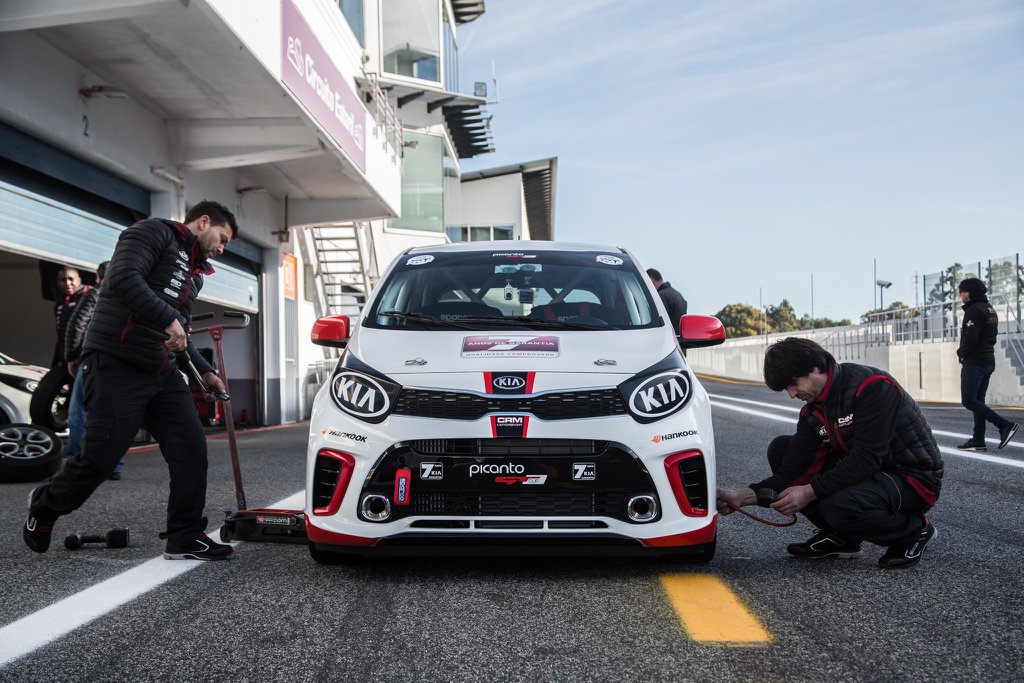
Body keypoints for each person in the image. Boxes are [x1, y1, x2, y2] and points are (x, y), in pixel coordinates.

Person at [24, 200, 238, 561]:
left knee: (191, 448)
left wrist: (204, 370)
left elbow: (179, 333)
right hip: (115, 364)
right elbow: (123, 279)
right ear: (203, 222)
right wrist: (167, 318)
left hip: (162, 370)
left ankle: (184, 536)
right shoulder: (152, 232)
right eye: (223, 238)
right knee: (100, 459)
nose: (221, 248)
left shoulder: (194, 274)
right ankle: (45, 506)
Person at [716, 338, 944, 570]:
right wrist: (742, 497)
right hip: (872, 473)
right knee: (782, 449)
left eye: (793, 384)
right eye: (787, 389)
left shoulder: (873, 386)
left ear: (816, 367)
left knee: (837, 504)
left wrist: (809, 491)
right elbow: (793, 471)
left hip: (913, 478)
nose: (792, 394)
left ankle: (914, 531)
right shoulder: (813, 411)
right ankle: (843, 538)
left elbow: (868, 457)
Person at [63, 261, 125, 479]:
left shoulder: (94, 294)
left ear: (97, 278)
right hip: (121, 359)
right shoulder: (129, 295)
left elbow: (77, 324)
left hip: (93, 356)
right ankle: (115, 465)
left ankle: (74, 461)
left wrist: (71, 356)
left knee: (78, 410)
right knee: (114, 411)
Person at [955, 277, 1018, 451]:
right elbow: (991, 336)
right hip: (988, 359)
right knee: (978, 400)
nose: (960, 295)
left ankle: (1004, 425)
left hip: (975, 362)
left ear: (968, 292)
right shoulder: (990, 309)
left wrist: (961, 353)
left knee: (968, 400)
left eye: (961, 292)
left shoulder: (974, 310)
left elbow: (970, 338)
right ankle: (978, 439)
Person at [51, 267, 92, 370]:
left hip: (82, 357)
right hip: (62, 356)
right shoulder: (60, 302)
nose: (67, 283)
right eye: (63, 280)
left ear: (79, 280)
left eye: (71, 279)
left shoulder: (89, 297)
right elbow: (61, 334)